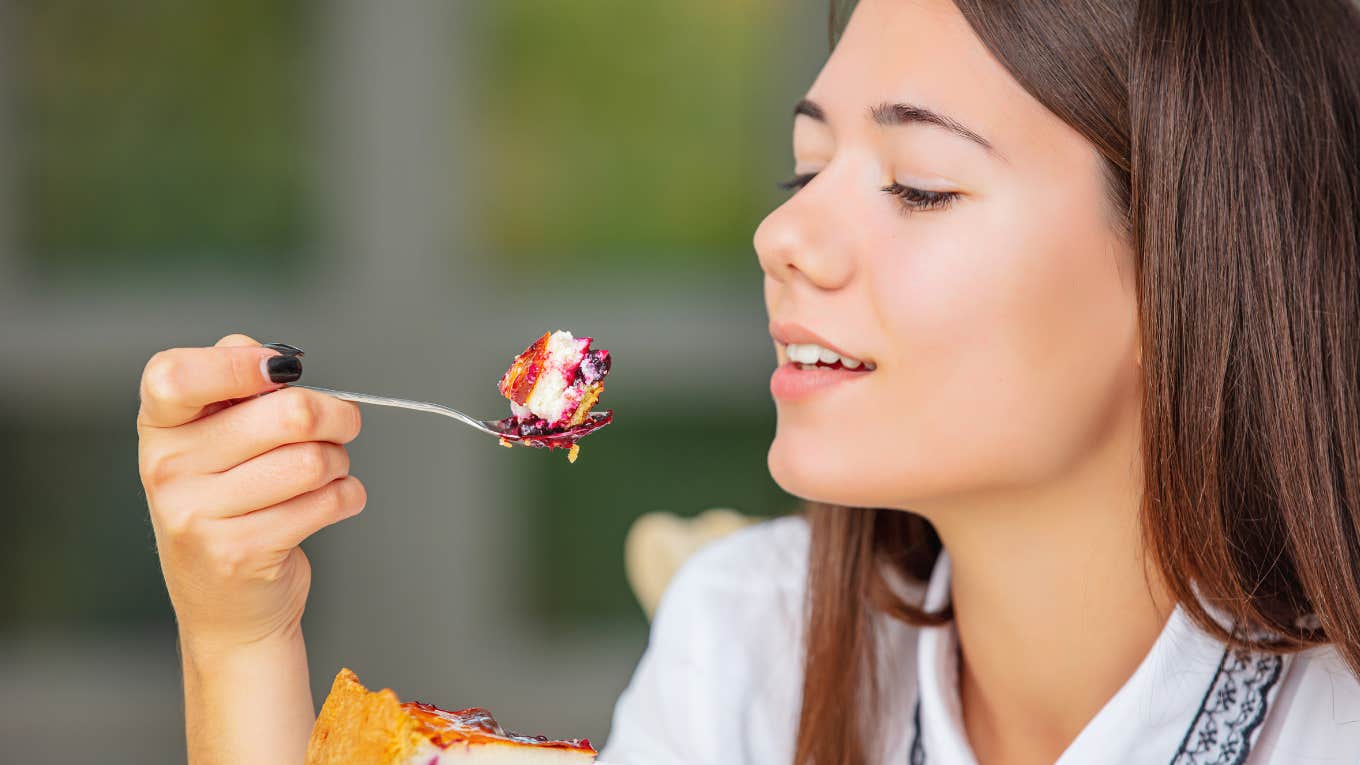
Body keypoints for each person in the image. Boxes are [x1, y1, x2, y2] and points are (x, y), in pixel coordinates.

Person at [137, 0, 1360, 763]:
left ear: (1195, 262)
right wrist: (239, 641)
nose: (783, 239)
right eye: (804, 170)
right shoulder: (746, 645)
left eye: (919, 183)